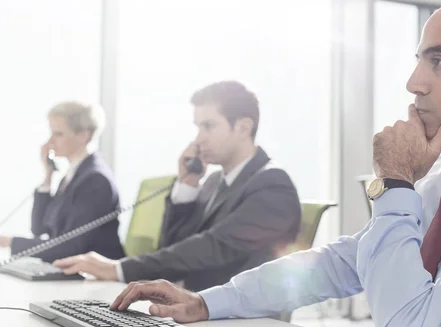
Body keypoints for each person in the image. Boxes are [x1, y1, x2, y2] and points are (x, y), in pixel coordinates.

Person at [107, 0, 441, 327]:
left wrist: (396, 185)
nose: (414, 83)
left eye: (439, 60)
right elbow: (339, 264)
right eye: (418, 59)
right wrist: (206, 303)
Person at [54, 81, 302, 292]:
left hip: (239, 323)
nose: (198, 138)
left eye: (209, 126)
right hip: (194, 307)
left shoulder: (273, 186)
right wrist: (187, 187)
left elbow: (211, 247)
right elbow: (173, 248)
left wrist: (119, 269)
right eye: (197, 127)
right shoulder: (214, 182)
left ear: (243, 127)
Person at [0, 101, 124, 263]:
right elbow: (39, 228)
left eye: (58, 134)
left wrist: (9, 242)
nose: (50, 141)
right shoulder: (72, 176)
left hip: (97, 279)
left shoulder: (95, 179)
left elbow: (73, 247)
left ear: (83, 136)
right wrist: (48, 176)